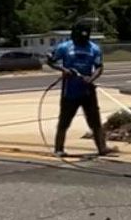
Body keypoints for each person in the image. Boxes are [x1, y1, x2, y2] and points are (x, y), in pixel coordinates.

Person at [46, 22, 110, 158]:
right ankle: (59, 149)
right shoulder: (64, 47)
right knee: (64, 121)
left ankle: (102, 148)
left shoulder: (94, 49)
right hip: (70, 91)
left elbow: (99, 67)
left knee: (95, 121)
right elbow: (51, 61)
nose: (81, 40)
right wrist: (63, 70)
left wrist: (91, 79)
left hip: (87, 91)